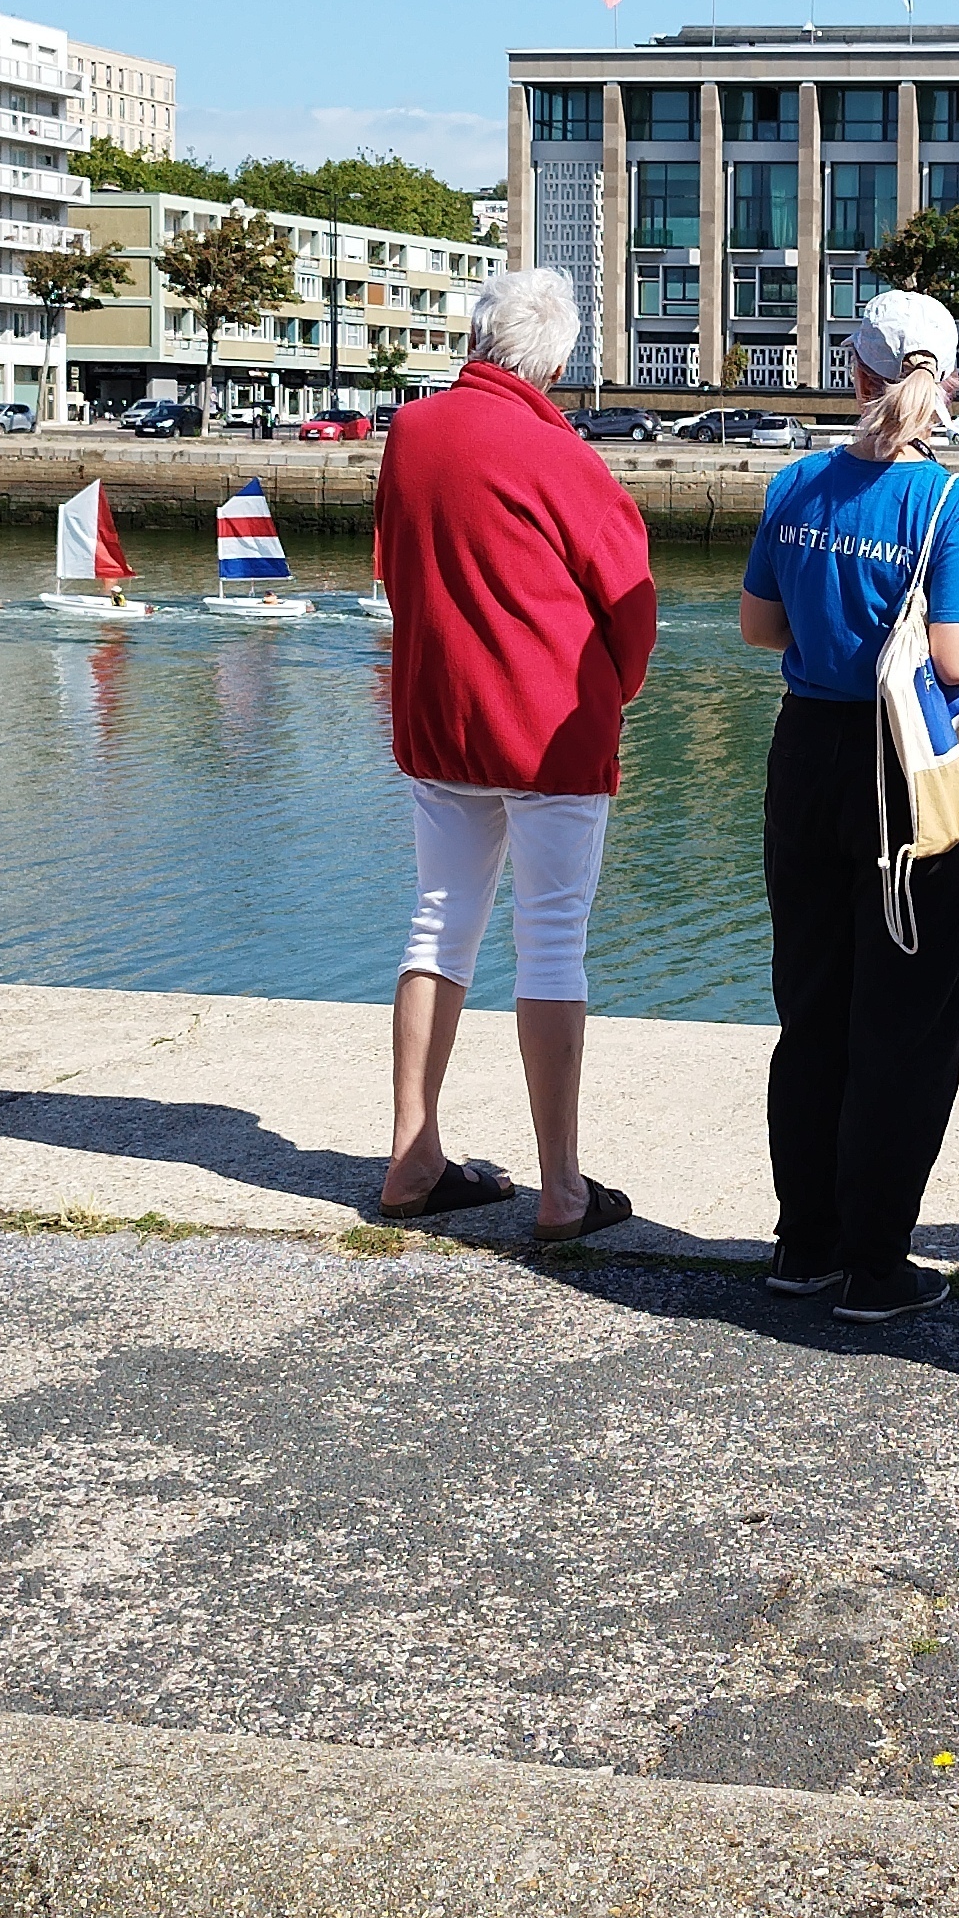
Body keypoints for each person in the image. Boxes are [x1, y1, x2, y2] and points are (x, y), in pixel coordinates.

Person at [741, 288, 959, 1325]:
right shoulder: (954, 505)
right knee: (903, 1020)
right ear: (947, 380)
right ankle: (875, 1263)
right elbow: (955, 657)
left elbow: (757, 628)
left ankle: (802, 1241)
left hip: (808, 757)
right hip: (909, 774)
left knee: (810, 1003)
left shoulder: (794, 484)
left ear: (852, 370)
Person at [368, 266, 658, 1243]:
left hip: (439, 720)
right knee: (552, 941)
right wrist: (611, 694)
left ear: (479, 338)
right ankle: (561, 1189)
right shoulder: (563, 458)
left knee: (437, 924)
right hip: (547, 730)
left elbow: (392, 561)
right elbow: (630, 608)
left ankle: (412, 1155)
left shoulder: (411, 433)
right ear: (561, 360)